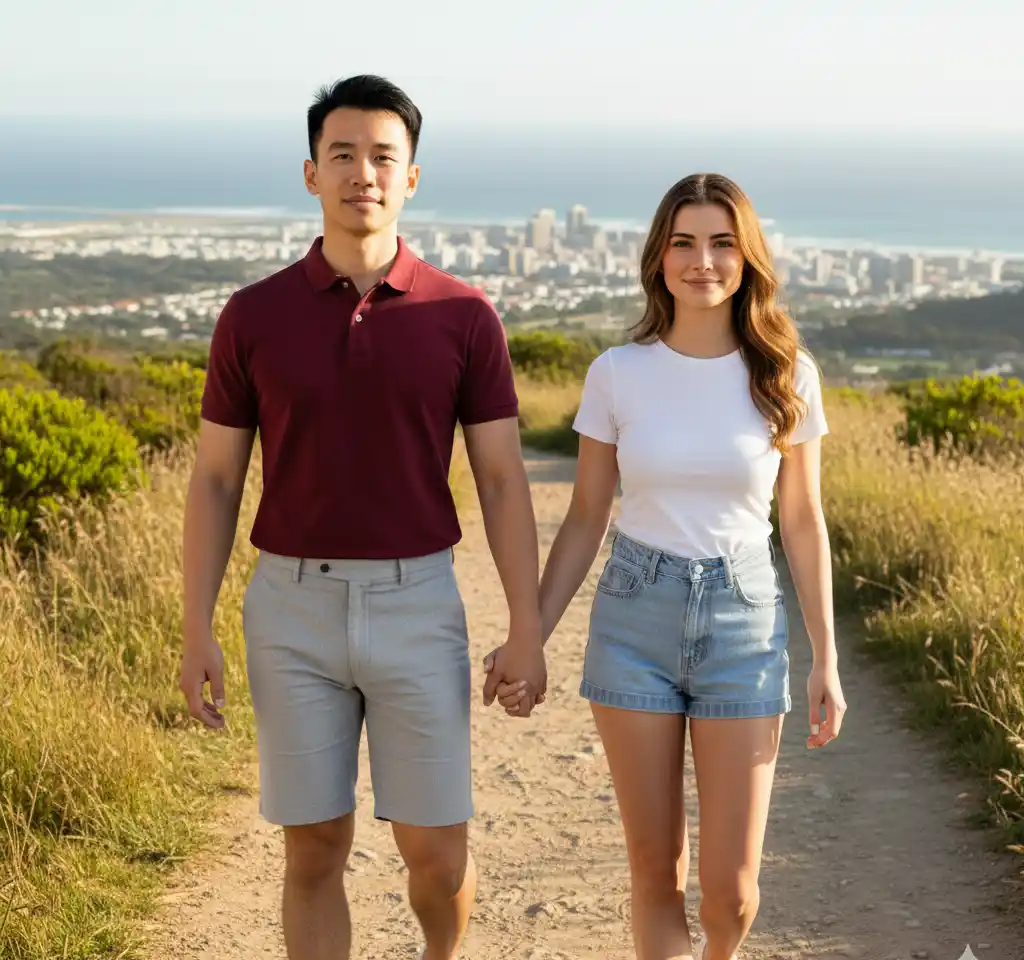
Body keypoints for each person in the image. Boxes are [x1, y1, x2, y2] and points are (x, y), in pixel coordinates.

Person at [178, 74, 546, 960]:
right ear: (311, 173)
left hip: (417, 603)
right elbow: (218, 479)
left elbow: (500, 479)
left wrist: (527, 627)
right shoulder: (252, 316)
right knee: (314, 847)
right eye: (342, 154)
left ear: (411, 178)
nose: (363, 173)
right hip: (289, 611)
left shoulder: (464, 315)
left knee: (436, 855)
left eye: (384, 156)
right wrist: (196, 627)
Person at [486, 172, 847, 960]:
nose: (703, 260)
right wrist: (530, 635)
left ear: (747, 256)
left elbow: (802, 520)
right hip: (634, 619)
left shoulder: (787, 374)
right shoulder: (619, 372)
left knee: (734, 893)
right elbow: (586, 517)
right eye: (684, 242)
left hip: (744, 623)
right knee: (655, 872)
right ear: (659, 257)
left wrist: (825, 657)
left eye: (722, 242)